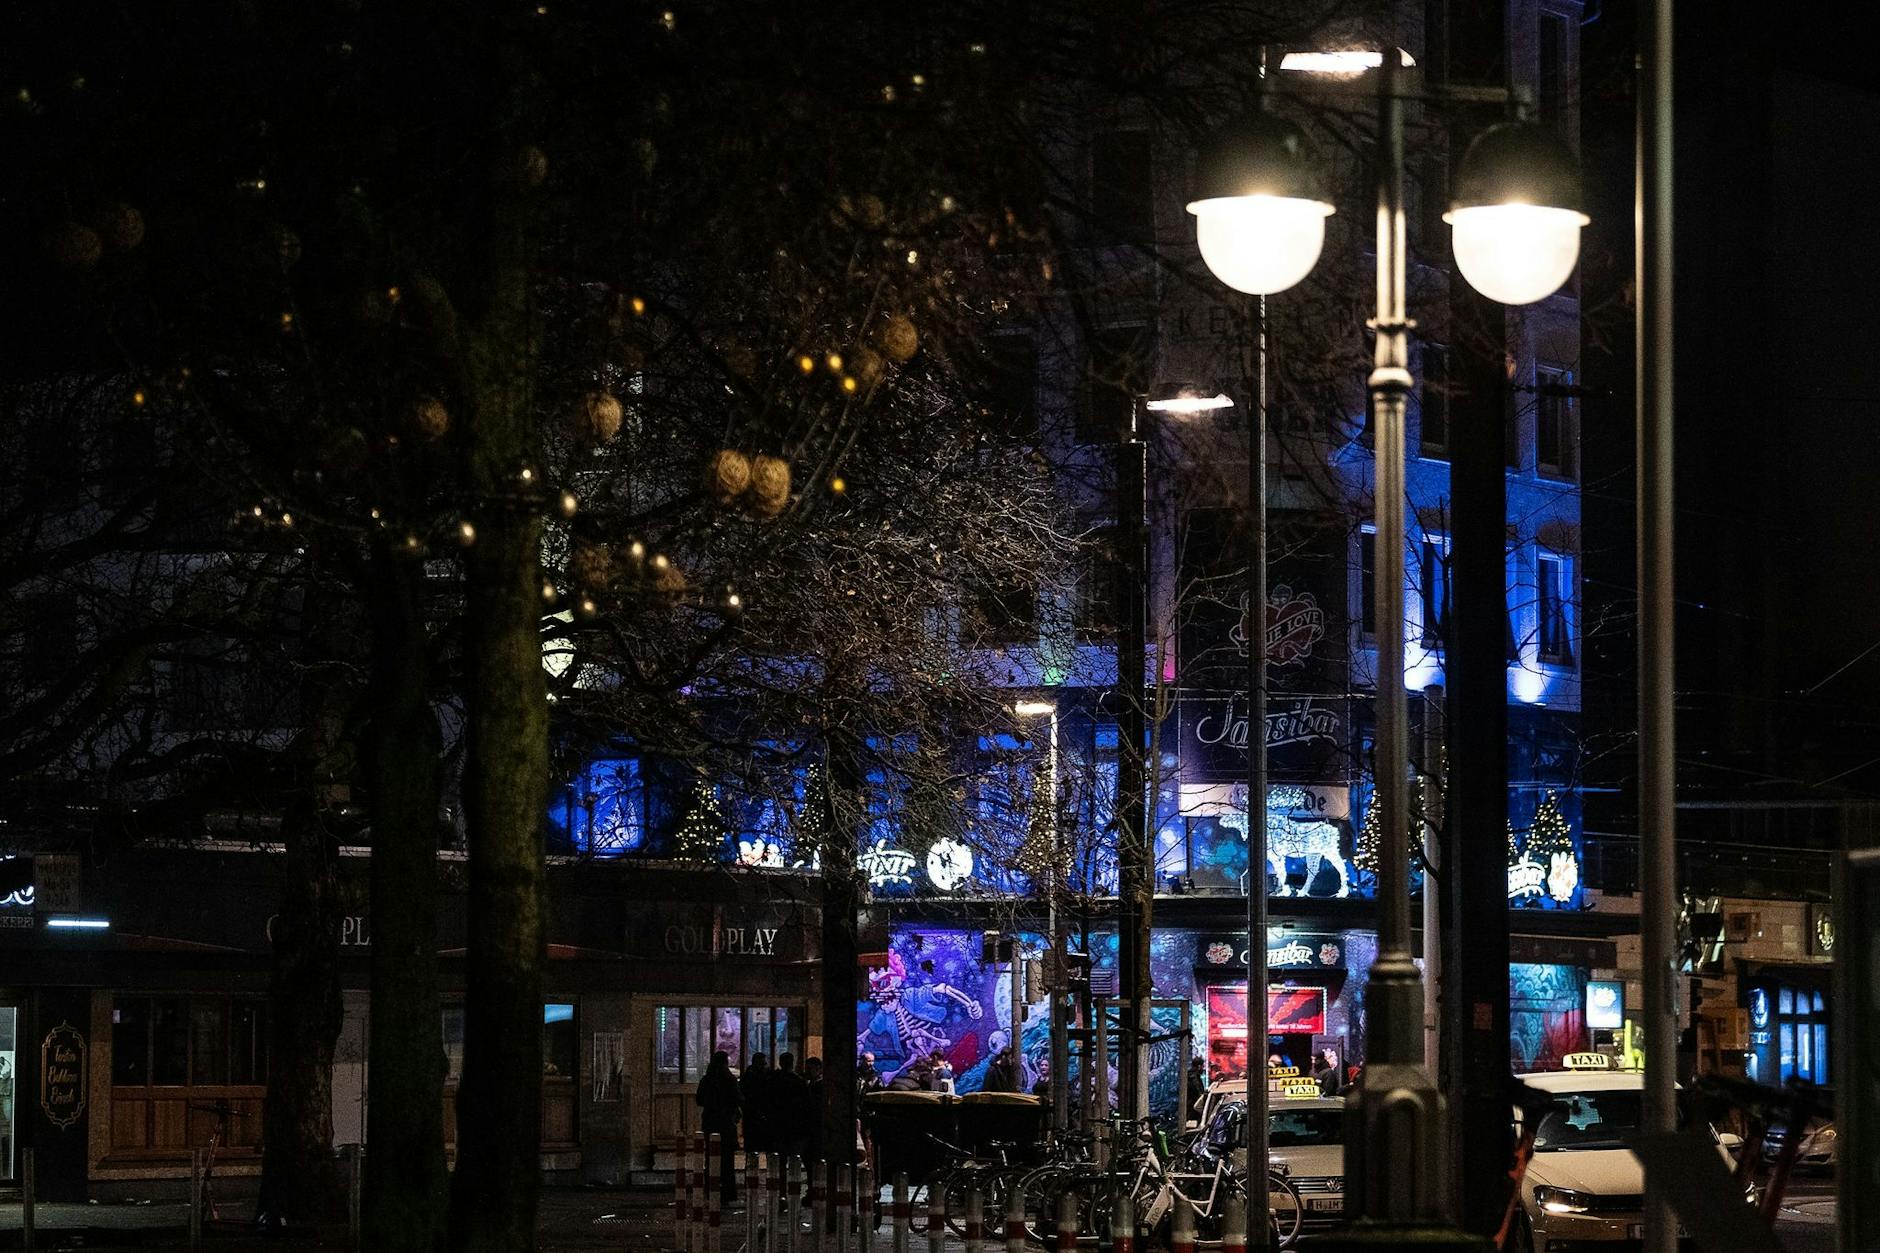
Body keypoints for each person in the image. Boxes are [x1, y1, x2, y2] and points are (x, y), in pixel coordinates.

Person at [695, 1051, 741, 1201]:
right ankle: (728, 1191)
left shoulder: (707, 1079)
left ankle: (712, 1189)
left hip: (710, 1122)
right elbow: (737, 1099)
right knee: (727, 1160)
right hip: (727, 1123)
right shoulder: (730, 1079)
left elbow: (699, 1100)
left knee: (711, 1157)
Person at [741, 1052, 772, 1154]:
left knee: (755, 1146)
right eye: (762, 1064)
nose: (764, 1066)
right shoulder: (751, 1077)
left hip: (756, 1116)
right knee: (753, 1147)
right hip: (754, 1116)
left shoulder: (749, 1076)